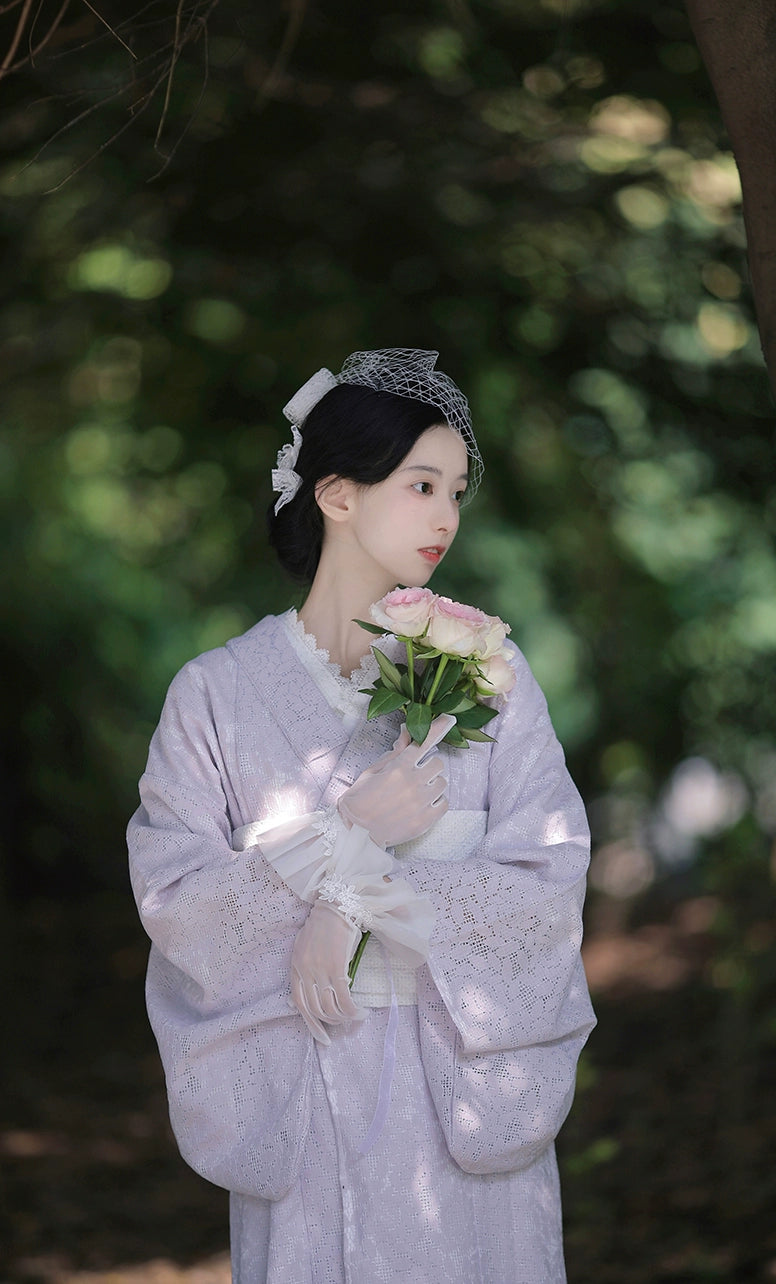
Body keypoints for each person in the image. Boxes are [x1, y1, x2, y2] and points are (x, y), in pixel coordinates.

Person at [127, 348, 595, 1284]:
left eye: (457, 490)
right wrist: (347, 833)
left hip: (456, 1089)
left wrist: (344, 895)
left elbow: (546, 887)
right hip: (305, 1092)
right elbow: (179, 901)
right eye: (423, 484)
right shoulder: (215, 695)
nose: (447, 516)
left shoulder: (493, 681)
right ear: (335, 494)